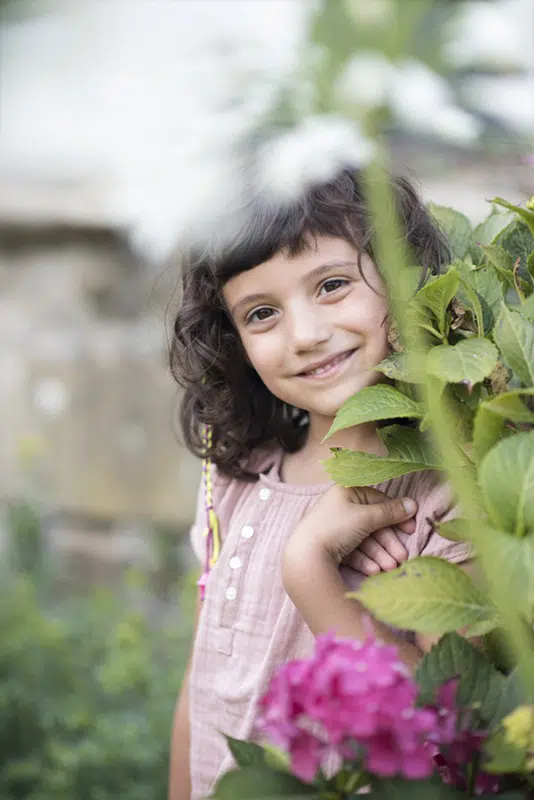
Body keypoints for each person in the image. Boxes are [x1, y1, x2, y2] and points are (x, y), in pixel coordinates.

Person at [168, 168, 473, 800]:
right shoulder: (233, 480)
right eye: (261, 313)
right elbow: (201, 685)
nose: (305, 335)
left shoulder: (446, 500)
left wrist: (309, 570)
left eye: (332, 285)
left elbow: (449, 728)